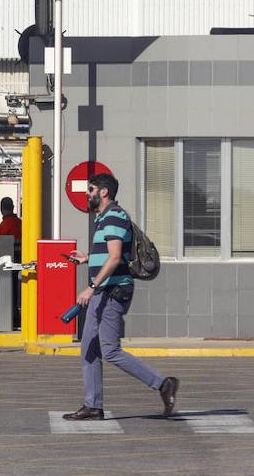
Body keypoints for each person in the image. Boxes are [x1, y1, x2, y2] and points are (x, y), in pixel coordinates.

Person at [63, 173, 178, 421]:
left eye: (91, 189)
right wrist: (86, 258)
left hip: (112, 292)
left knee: (110, 349)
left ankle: (162, 383)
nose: (88, 194)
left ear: (104, 192)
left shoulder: (114, 215)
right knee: (89, 349)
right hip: (104, 291)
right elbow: (111, 254)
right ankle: (93, 406)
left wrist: (91, 286)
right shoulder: (104, 218)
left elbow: (115, 258)